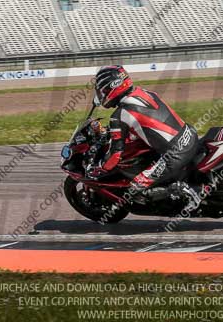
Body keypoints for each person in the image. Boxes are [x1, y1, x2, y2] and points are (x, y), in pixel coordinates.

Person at [86, 65, 202, 212]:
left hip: (174, 155)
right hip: (189, 134)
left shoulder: (119, 116)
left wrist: (99, 168)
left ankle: (184, 189)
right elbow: (148, 122)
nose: (100, 95)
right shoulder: (144, 92)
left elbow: (115, 155)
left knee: (134, 189)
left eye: (101, 91)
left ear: (111, 88)